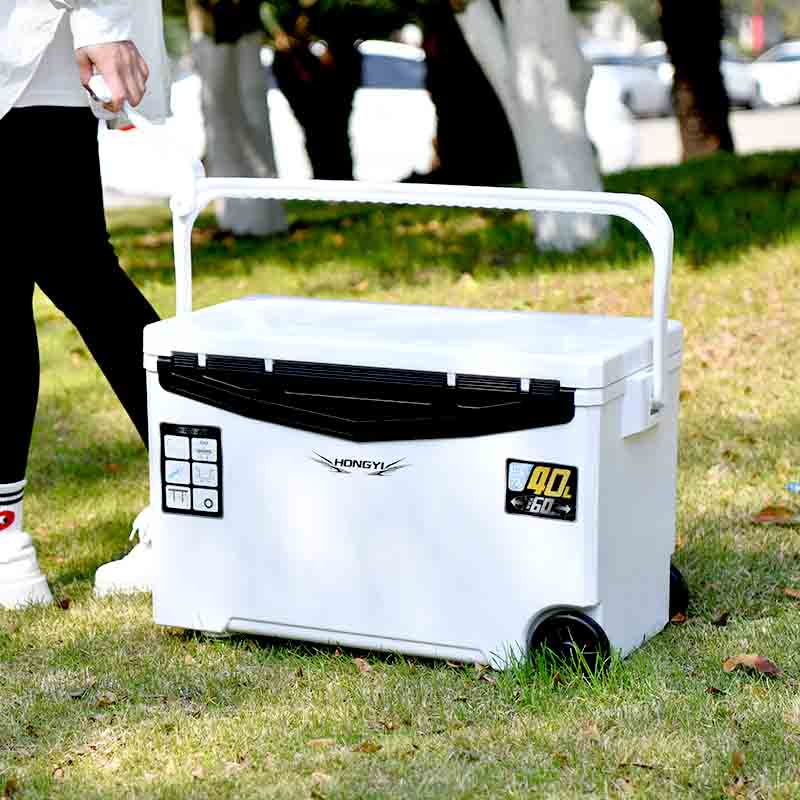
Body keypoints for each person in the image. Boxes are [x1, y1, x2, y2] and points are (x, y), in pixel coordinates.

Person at [0, 1, 169, 608]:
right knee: (69, 273)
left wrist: (103, 22)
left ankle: (198, 502)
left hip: (37, 43)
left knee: (78, 271)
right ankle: (6, 543)